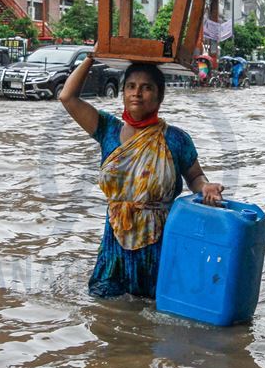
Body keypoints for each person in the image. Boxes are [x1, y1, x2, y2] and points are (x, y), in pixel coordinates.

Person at [60, 56, 224, 298]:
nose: (137, 93)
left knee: (156, 306)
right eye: (131, 86)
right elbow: (67, 98)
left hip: (159, 242)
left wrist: (206, 187)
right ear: (123, 92)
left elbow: (195, 177)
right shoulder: (108, 130)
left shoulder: (176, 139)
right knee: (108, 309)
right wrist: (91, 57)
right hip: (114, 242)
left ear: (159, 96)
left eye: (147, 88)